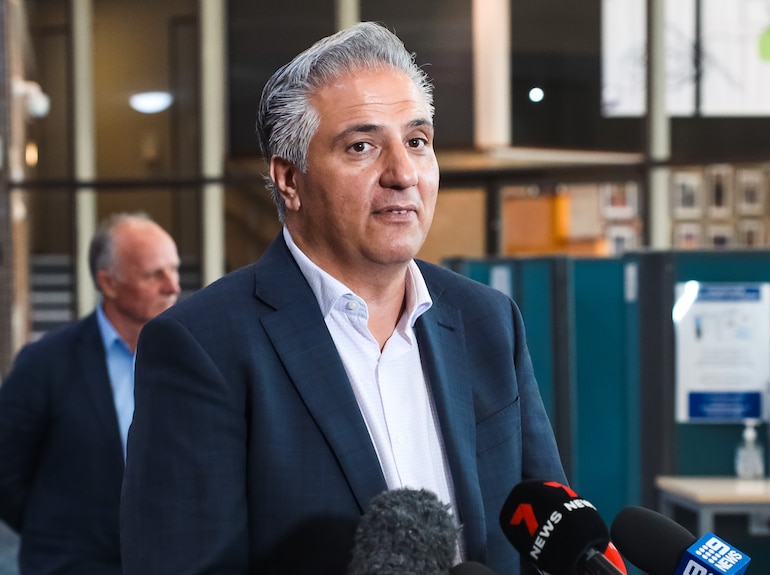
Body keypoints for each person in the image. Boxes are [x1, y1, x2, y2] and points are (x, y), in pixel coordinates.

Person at [120, 22, 567, 575]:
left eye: (417, 141)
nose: (402, 174)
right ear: (289, 180)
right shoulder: (204, 347)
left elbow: (550, 538)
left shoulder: (488, 320)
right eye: (362, 146)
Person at [0, 212, 180, 575]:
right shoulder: (46, 362)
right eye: (154, 274)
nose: (173, 286)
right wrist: (51, 527)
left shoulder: (191, 358)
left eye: (174, 269)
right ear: (108, 283)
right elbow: (5, 471)